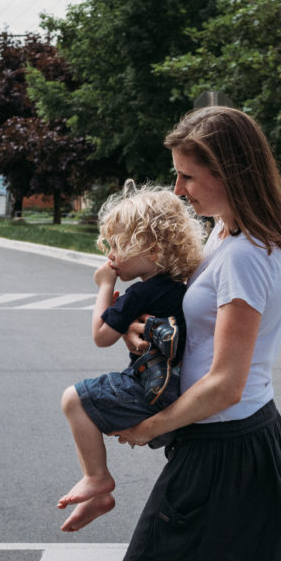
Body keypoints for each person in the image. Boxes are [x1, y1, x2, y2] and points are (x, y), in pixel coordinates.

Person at [112, 105, 281, 561]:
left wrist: (147, 429)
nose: (178, 190)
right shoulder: (227, 235)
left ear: (230, 174)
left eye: (188, 178)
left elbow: (226, 384)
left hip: (226, 451)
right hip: (226, 444)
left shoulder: (245, 257)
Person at [57, 181, 206, 533]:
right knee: (96, 413)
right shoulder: (177, 287)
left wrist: (104, 287)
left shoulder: (140, 292)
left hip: (152, 390)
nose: (111, 254)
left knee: (74, 400)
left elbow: (100, 336)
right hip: (172, 387)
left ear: (152, 252)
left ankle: (97, 480)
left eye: (119, 245)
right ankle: (97, 490)